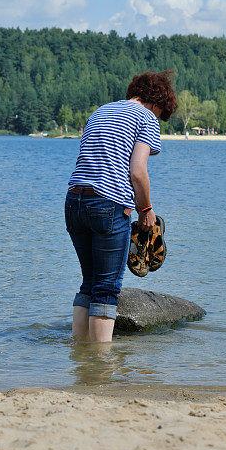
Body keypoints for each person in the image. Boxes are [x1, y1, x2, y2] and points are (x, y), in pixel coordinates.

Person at [65, 70, 178, 342]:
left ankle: (79, 355)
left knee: (89, 283)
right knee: (106, 288)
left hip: (74, 202)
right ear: (157, 102)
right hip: (108, 205)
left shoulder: (101, 111)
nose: (159, 116)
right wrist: (146, 210)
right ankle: (101, 365)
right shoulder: (147, 118)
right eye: (161, 110)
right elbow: (137, 172)